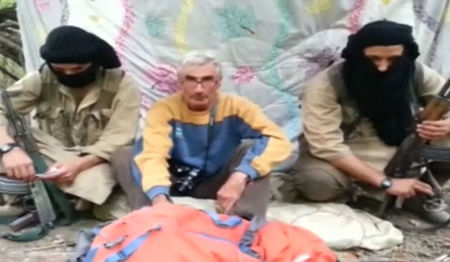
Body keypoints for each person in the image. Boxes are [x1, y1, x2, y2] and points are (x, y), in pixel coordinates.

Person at [281, 20, 450, 224]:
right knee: (316, 182)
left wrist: (447, 124)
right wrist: (387, 182)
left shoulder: (416, 73)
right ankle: (360, 196)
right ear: (358, 53)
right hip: (347, 158)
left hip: (403, 152)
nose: (382, 67)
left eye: (393, 59)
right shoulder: (327, 84)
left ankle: (417, 196)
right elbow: (327, 146)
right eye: (374, 58)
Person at [112, 51, 292, 218]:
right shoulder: (164, 109)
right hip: (173, 178)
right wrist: (159, 196)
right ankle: (149, 216)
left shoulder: (237, 106)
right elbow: (154, 154)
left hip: (217, 181)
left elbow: (277, 139)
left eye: (207, 80)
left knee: (254, 152)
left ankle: (244, 221)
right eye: (191, 80)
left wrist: (240, 176)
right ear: (180, 83)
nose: (199, 89)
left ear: (218, 83)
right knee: (126, 154)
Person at [0, 25, 140, 213]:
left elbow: (117, 139)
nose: (69, 75)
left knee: (100, 184)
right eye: (60, 70)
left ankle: (74, 199)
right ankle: (24, 199)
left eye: (78, 69)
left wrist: (78, 165)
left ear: (94, 62)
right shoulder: (42, 78)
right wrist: (9, 149)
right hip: (50, 155)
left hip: (94, 161)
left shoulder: (122, 86)